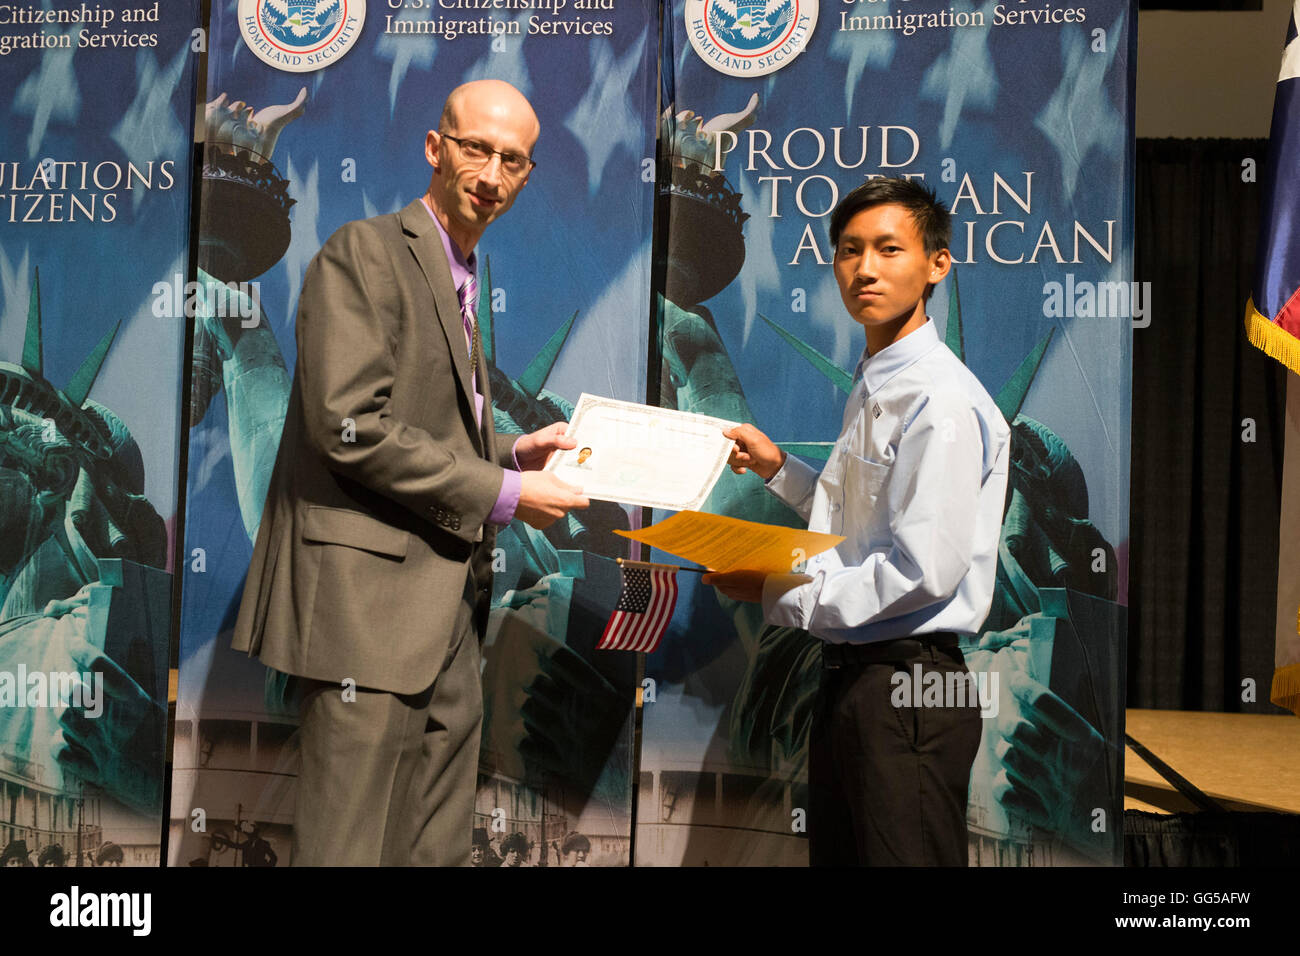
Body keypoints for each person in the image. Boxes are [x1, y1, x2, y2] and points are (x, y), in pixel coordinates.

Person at [231, 79, 589, 866]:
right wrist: (507, 492)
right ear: (435, 148)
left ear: (527, 177)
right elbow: (348, 426)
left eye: (513, 160)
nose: (492, 174)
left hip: (448, 616)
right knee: (348, 848)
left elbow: (421, 422)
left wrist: (510, 450)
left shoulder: (462, 277)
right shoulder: (364, 254)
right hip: (366, 618)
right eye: (476, 149)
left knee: (430, 851)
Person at [704, 177, 1010, 866]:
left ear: (937, 264)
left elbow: (922, 571)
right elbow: (865, 525)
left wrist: (776, 589)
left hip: (907, 688)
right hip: (858, 684)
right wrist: (780, 468)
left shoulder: (938, 400)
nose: (865, 268)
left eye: (889, 248)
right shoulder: (879, 379)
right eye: (849, 250)